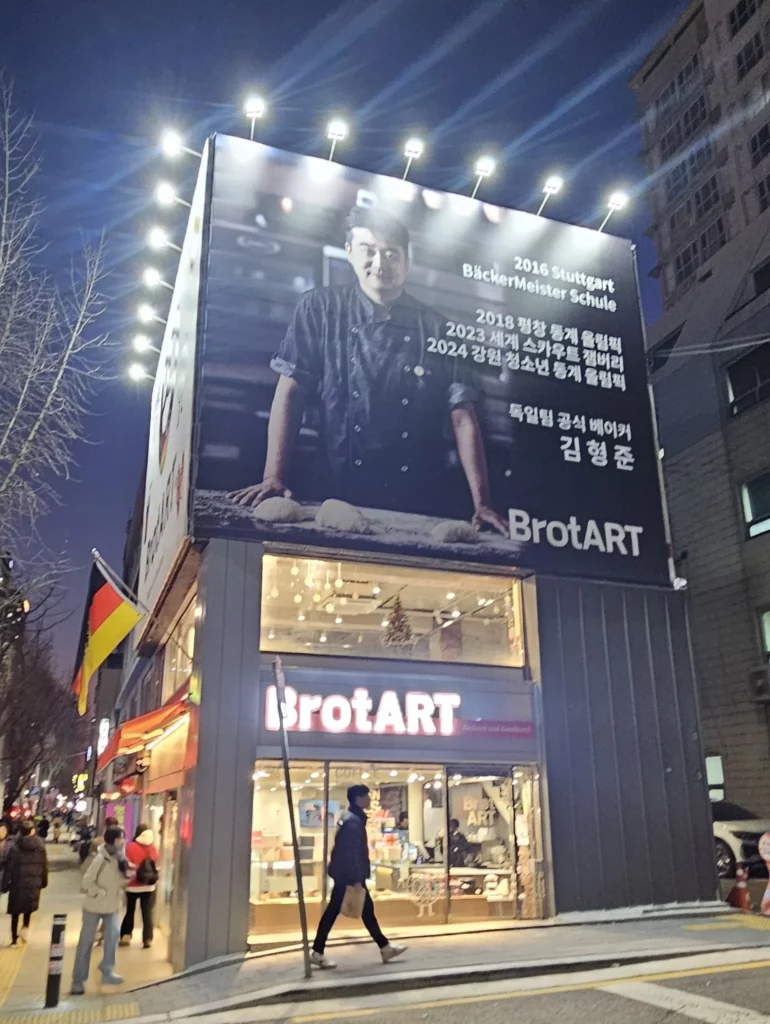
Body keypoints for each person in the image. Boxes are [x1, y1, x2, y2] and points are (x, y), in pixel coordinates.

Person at [231, 205, 507, 533]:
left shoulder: (438, 329)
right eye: (369, 251)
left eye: (391, 254)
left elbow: (462, 417)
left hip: (417, 496)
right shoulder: (318, 308)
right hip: (334, 490)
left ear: (407, 259)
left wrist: (482, 503)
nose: (380, 264)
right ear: (348, 252)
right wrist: (273, 476)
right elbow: (291, 390)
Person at [311, 784, 406, 969]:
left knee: (366, 911)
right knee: (334, 912)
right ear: (358, 798)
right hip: (349, 876)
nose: (369, 799)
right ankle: (317, 951)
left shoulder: (350, 818)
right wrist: (355, 879)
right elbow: (351, 852)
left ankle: (385, 947)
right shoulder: (353, 821)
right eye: (366, 796)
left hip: (345, 874)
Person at [71, 826, 128, 993]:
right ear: (112, 841)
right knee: (86, 943)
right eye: (120, 839)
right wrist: (99, 892)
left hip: (112, 906)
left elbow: (119, 879)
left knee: (113, 935)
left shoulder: (120, 857)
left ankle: (107, 970)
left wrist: (125, 881)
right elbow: (86, 883)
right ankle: (78, 980)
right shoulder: (99, 859)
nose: (122, 841)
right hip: (94, 907)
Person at [2, 819, 48, 945]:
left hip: (17, 884)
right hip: (34, 883)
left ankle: (14, 940)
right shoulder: (40, 847)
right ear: (32, 831)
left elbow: (8, 869)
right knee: (28, 908)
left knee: (15, 913)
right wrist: (43, 882)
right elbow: (44, 867)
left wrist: (4, 885)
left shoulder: (15, 848)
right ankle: (25, 929)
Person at [120, 824, 159, 949]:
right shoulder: (152, 847)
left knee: (130, 910)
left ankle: (126, 935)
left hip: (132, 885)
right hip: (148, 885)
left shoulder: (131, 846)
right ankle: (147, 938)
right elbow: (156, 866)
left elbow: (127, 865)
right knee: (147, 912)